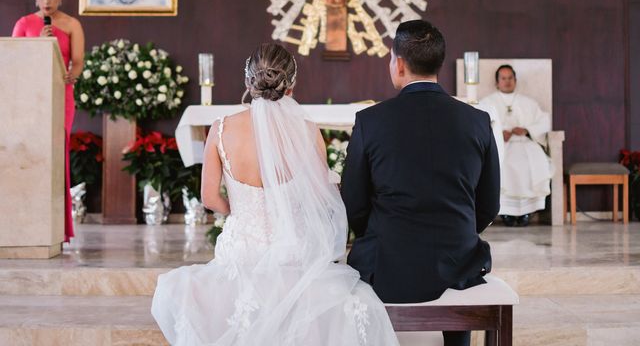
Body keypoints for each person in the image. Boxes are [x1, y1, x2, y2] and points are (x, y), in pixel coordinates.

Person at [152, 44, 398, 345]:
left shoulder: (220, 130)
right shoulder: (308, 131)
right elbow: (322, 198)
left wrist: (241, 211)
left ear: (248, 82)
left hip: (242, 252)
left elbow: (208, 198)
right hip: (293, 251)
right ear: (291, 85)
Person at [341, 19, 500, 346]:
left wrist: (378, 233)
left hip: (388, 264)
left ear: (398, 64)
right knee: (460, 254)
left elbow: (353, 202)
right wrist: (456, 231)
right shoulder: (477, 120)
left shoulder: (370, 121)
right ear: (438, 63)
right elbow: (488, 204)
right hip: (459, 261)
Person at [12, 0, 85, 242]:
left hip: (60, 93)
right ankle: (26, 222)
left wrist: (73, 75)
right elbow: (14, 60)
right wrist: (39, 42)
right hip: (29, 97)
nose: (46, 2)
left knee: (57, 154)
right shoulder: (24, 23)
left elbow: (76, 61)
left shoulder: (71, 25)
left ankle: (59, 228)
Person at [480, 65, 554, 227]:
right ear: (497, 82)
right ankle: (506, 213)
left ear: (515, 80)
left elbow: (543, 121)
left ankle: (526, 213)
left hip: (524, 143)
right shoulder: (487, 102)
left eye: (510, 78)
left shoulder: (528, 102)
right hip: (501, 145)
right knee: (503, 165)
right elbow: (480, 124)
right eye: (503, 78)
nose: (507, 82)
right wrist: (498, 133)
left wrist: (527, 130)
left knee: (533, 164)